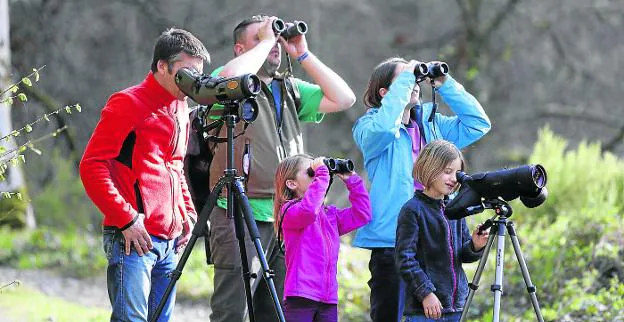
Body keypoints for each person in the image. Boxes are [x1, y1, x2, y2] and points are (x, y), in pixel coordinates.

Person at [199, 15, 357, 322]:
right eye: (259, 39)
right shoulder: (228, 79)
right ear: (239, 48)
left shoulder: (289, 90)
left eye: (274, 39)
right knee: (234, 310)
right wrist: (268, 40)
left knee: (276, 312)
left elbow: (344, 98)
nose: (273, 46)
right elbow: (228, 78)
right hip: (239, 210)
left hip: (287, 215)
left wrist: (303, 55)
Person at [79, 28, 211, 321]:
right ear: (162, 66)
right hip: (132, 238)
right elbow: (92, 165)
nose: (193, 81)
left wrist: (187, 214)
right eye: (186, 72)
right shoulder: (126, 103)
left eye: (198, 73)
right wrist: (126, 218)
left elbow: (174, 166)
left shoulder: (181, 106)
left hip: (170, 242)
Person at [352, 57, 491, 322]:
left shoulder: (432, 125)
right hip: (392, 243)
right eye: (405, 78)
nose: (414, 82)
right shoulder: (368, 128)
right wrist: (406, 77)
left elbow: (478, 124)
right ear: (384, 92)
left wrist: (444, 83)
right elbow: (383, 128)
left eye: (414, 78)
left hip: (437, 242)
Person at [395, 140, 489, 321]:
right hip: (425, 309)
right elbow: (405, 259)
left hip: (456, 307)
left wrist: (475, 246)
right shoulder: (413, 210)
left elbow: (462, 256)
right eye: (447, 172)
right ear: (429, 168)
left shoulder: (456, 208)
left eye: (457, 173)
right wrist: (426, 293)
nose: (454, 178)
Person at [273, 154, 372, 322]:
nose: (318, 175)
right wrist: (323, 174)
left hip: (328, 298)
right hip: (301, 296)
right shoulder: (289, 211)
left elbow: (362, 214)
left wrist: (352, 180)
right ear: (291, 184)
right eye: (311, 173)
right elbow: (309, 211)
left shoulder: (330, 215)